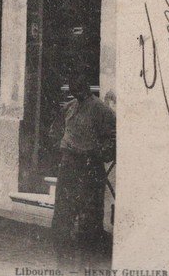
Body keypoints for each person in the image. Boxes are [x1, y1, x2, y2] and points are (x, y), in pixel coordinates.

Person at [50, 72, 116, 258]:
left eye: (77, 83)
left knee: (90, 214)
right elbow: (56, 131)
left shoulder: (101, 109)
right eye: (71, 84)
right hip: (68, 164)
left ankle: (89, 254)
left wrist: (101, 154)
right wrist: (61, 149)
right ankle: (64, 251)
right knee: (64, 211)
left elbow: (113, 136)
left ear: (85, 85)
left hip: (89, 167)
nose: (74, 88)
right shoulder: (69, 107)